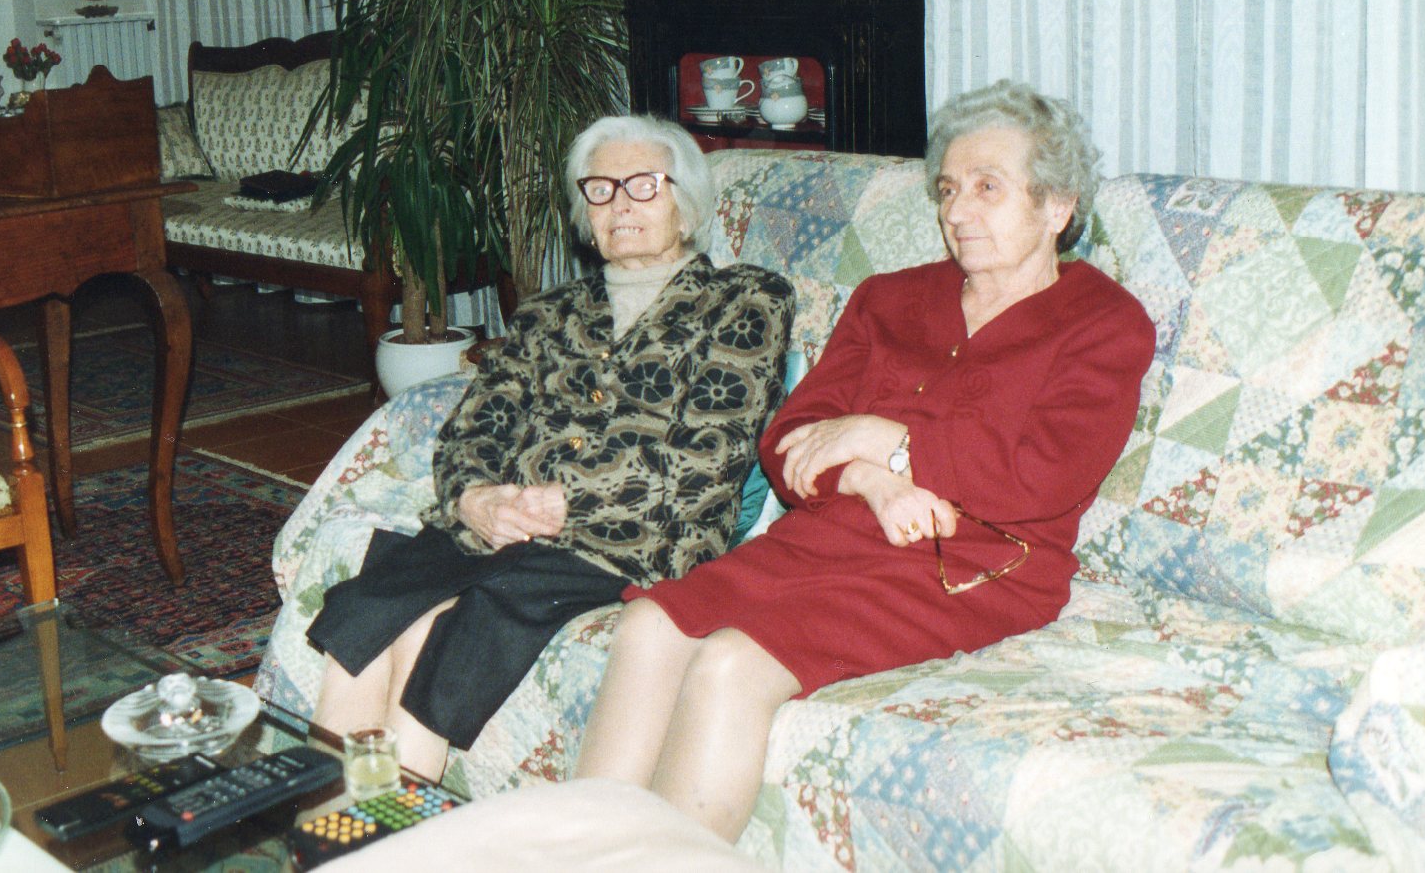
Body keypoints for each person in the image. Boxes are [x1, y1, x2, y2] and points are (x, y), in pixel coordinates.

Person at [575, 81, 1158, 839]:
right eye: (947, 189)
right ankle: (583, 849)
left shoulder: (1104, 324)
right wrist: (870, 478)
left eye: (987, 188)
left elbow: (1042, 477)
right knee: (648, 624)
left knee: (730, 663)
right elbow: (789, 442)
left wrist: (882, 436)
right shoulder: (888, 300)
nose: (957, 211)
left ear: (1057, 207)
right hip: (827, 535)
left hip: (971, 562)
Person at [307, 115, 795, 781]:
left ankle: (395, 829)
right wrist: (476, 497)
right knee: (367, 626)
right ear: (584, 214)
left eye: (644, 185)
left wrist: (564, 501)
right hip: (500, 532)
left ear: (686, 206)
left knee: (436, 637)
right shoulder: (548, 312)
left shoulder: (744, 300)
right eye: (600, 189)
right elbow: (475, 424)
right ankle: (326, 823)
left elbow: (710, 453)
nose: (620, 204)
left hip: (632, 540)